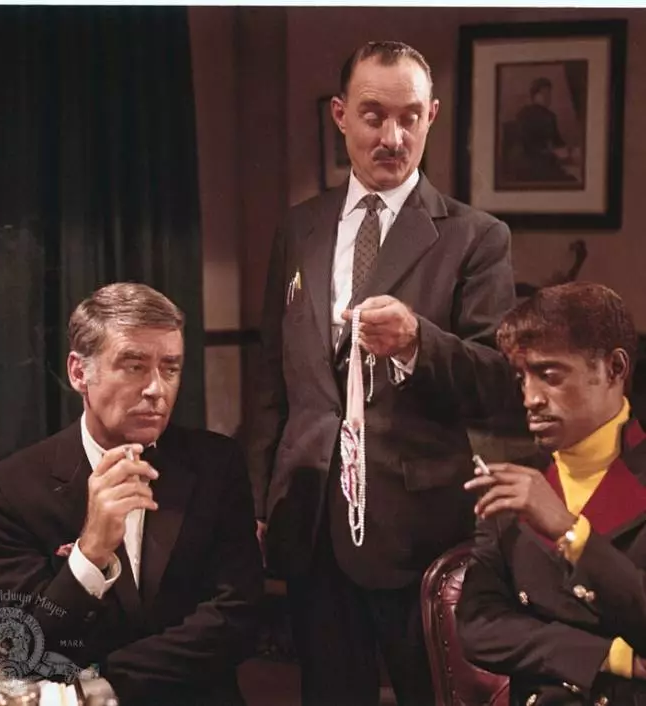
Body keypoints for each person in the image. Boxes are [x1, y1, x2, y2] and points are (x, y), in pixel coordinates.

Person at [248, 40, 516, 706]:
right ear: (340, 115)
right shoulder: (298, 229)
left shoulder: (477, 238)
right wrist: (257, 499)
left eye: (409, 117)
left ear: (432, 117)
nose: (392, 138)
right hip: (309, 521)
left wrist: (418, 342)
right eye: (374, 116)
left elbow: (499, 384)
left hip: (418, 532)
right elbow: (271, 379)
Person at [0, 282, 263, 706]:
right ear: (79, 373)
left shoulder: (218, 464)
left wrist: (108, 682)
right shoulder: (8, 489)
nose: (156, 389)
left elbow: (237, 617)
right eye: (134, 366)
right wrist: (89, 554)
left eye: (170, 368)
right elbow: (25, 649)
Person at [457, 281, 646, 706]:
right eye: (521, 378)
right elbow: (478, 627)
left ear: (614, 369)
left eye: (549, 375)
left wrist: (571, 533)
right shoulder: (513, 485)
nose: (530, 398)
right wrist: (606, 656)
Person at [511, 77, 578, 183]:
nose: (548, 97)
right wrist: (552, 153)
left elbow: (557, 141)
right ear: (534, 96)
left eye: (549, 93)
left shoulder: (551, 116)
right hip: (530, 163)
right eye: (543, 93)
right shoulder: (524, 114)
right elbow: (527, 145)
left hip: (548, 160)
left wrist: (568, 149)